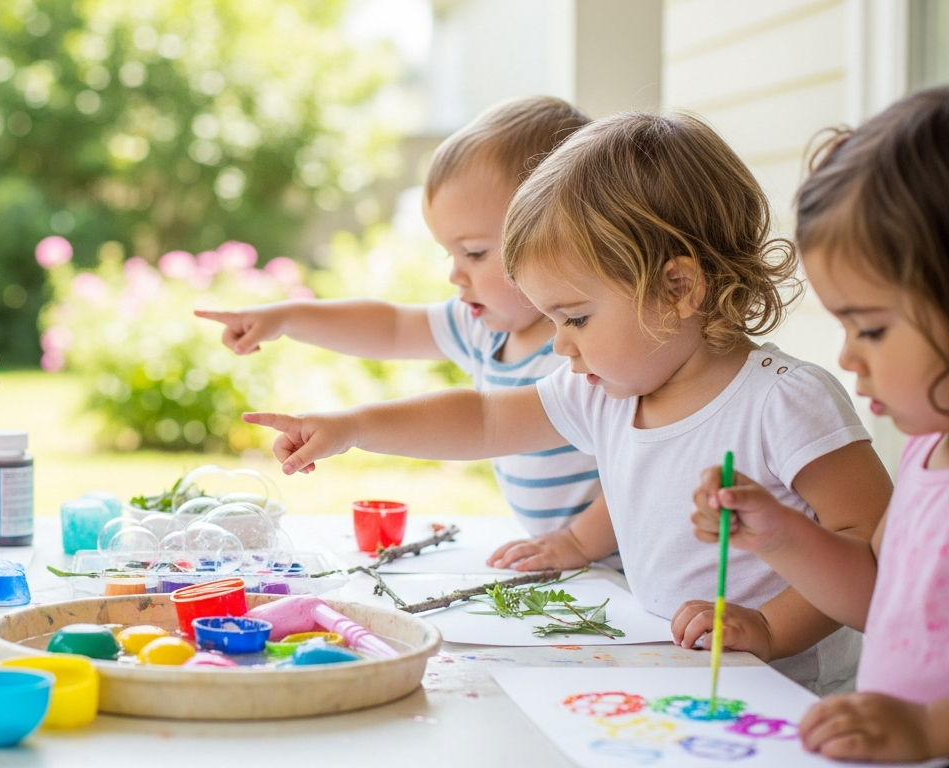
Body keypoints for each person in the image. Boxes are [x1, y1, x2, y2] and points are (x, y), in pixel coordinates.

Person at [245, 111, 891, 694]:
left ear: (678, 288)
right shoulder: (609, 393)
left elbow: (871, 548)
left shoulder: (784, 400)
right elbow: (485, 418)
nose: (559, 345)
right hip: (678, 674)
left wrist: (771, 628)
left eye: (575, 317)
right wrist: (353, 426)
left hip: (791, 697)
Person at [198, 97, 614, 558]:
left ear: (561, 236)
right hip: (563, 559)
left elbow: (639, 467)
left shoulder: (595, 348)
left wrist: (580, 541)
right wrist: (287, 318)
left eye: (474, 253)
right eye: (449, 254)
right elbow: (391, 326)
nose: (456, 274)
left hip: (613, 563)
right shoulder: (485, 328)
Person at [689, 87, 949, 762]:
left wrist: (928, 729)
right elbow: (878, 600)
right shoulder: (929, 454)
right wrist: (782, 536)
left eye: (871, 327)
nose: (847, 356)